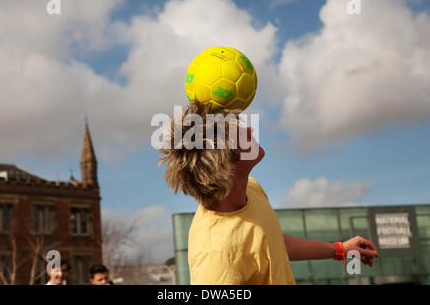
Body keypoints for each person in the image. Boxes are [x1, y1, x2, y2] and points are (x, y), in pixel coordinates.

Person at [158, 100, 379, 284]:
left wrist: (339, 250)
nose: (250, 130)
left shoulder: (251, 188)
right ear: (226, 164)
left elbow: (269, 244)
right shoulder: (216, 255)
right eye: (239, 134)